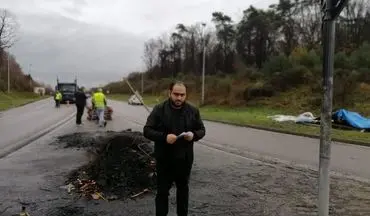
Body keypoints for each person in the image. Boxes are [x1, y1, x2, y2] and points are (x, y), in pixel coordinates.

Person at [143, 81, 206, 216]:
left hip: (184, 159)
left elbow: (202, 130)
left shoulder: (193, 110)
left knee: (183, 191)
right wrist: (164, 137)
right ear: (169, 93)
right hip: (165, 159)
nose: (179, 98)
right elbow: (147, 130)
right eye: (176, 94)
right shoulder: (159, 109)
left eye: (182, 95)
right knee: (162, 192)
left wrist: (193, 135)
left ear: (186, 95)